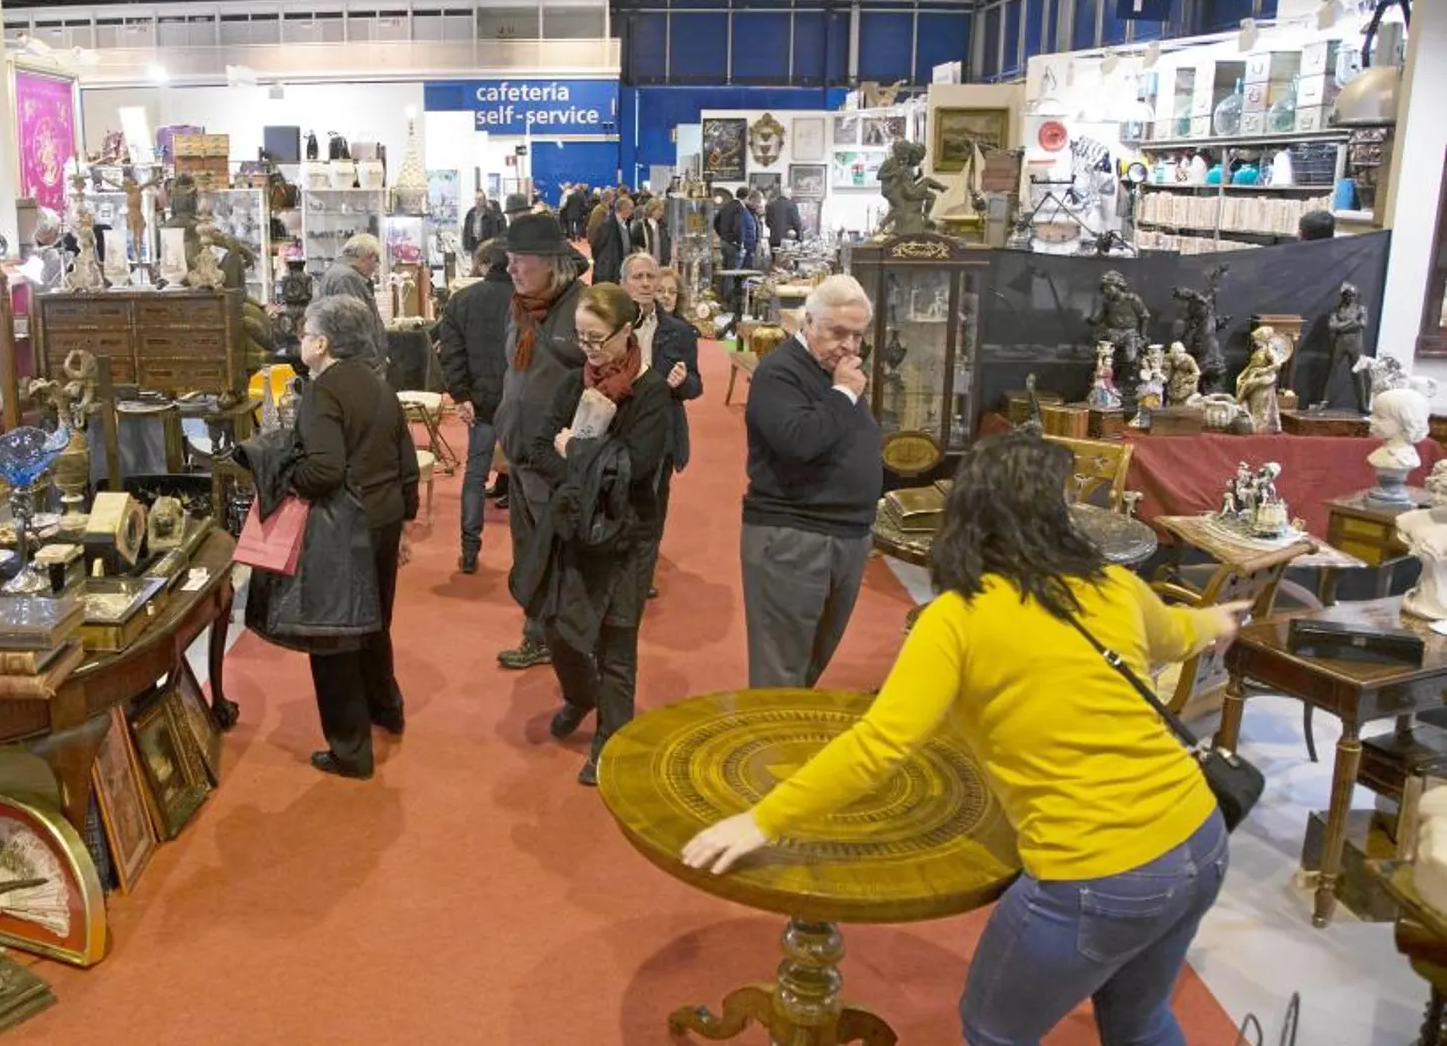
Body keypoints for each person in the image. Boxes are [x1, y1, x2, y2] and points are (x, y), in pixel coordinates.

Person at [683, 430, 1248, 1046]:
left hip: (1098, 870)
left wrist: (765, 819)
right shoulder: (1108, 584)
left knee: (993, 1031)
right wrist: (1215, 622)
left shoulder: (957, 616)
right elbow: (1175, 632)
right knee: (1141, 1022)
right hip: (1201, 836)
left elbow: (879, 745)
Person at [511, 283, 672, 785]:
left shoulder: (651, 394)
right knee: (556, 624)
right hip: (573, 528)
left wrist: (575, 455)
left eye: (597, 339)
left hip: (628, 535)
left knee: (617, 639)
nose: (589, 350)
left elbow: (637, 469)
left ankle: (612, 736)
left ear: (628, 331)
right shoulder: (572, 382)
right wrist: (588, 471)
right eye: (581, 338)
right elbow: (538, 448)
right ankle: (581, 696)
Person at [291, 295, 420, 779]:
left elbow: (324, 468)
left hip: (344, 524)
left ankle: (350, 749)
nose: (301, 340)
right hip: (383, 515)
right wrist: (406, 518)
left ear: (321, 342)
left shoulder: (323, 391)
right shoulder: (376, 382)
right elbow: (405, 457)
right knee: (374, 621)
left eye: (305, 333)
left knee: (335, 633)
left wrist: (289, 480)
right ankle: (386, 706)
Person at [742, 275, 881, 689]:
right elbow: (799, 441)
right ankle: (769, 754)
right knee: (780, 676)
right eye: (838, 332)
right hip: (793, 537)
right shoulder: (780, 374)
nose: (850, 347)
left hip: (844, 535)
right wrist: (843, 394)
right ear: (808, 323)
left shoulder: (838, 373)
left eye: (858, 336)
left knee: (808, 669)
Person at [493, 213, 590, 670]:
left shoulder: (583, 310)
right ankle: (539, 635)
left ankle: (566, 643)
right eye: (508, 260)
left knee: (559, 556)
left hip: (554, 461)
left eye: (519, 261)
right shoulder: (521, 307)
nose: (511, 269)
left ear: (552, 263)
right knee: (529, 554)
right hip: (520, 455)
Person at [621, 252, 701, 598]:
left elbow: (696, 385)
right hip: (618, 428)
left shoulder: (680, 331)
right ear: (624, 283)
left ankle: (642, 576)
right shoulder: (612, 325)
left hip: (662, 432)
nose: (645, 283)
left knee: (651, 506)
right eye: (637, 277)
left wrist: (682, 383)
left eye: (650, 277)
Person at [435, 239, 512, 574]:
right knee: (529, 477)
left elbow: (450, 353)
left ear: (484, 264)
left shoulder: (462, 300)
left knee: (475, 477)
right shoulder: (529, 300)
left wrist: (459, 394)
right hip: (521, 402)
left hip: (480, 401)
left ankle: (469, 548)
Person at [313, 233, 386, 374]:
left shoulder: (337, 272)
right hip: (357, 367)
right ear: (370, 256)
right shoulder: (347, 278)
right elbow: (355, 329)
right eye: (376, 261)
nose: (376, 267)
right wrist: (372, 363)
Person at [714, 187, 749, 304]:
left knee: (725, 272)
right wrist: (739, 241)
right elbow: (738, 226)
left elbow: (716, 221)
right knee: (732, 274)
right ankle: (728, 301)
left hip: (724, 242)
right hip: (733, 245)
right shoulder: (740, 208)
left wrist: (722, 235)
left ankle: (721, 299)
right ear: (747, 197)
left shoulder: (727, 205)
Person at [589, 196, 634, 286]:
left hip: (621, 267)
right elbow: (596, 246)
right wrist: (602, 262)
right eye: (630, 208)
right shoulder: (607, 224)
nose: (631, 211)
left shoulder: (625, 223)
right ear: (623, 209)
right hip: (609, 270)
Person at [462, 189, 503, 254]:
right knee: (475, 263)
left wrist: (492, 247)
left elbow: (494, 232)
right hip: (473, 244)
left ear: (484, 201)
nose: (477, 201)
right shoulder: (470, 213)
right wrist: (466, 246)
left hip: (485, 245)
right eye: (476, 199)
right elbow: (466, 230)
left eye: (480, 199)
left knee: (484, 263)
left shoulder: (490, 214)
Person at [629, 199, 665, 267]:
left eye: (662, 210)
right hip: (645, 265)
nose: (661, 213)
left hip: (660, 266)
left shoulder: (663, 226)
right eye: (659, 210)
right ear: (651, 210)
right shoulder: (639, 226)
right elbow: (634, 246)